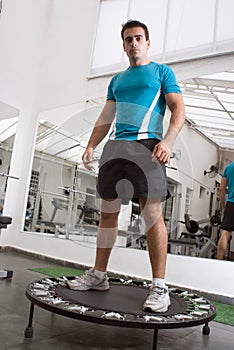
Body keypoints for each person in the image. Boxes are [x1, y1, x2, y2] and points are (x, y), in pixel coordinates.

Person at [67, 20, 185, 313]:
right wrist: (92, 145)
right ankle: (98, 275)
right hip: (116, 147)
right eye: (128, 39)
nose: (134, 43)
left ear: (147, 42)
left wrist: (168, 141)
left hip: (147, 146)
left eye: (138, 38)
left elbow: (178, 109)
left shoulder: (161, 72)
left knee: (152, 215)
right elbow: (106, 117)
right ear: (123, 45)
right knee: (108, 214)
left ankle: (159, 287)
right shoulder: (117, 80)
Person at [217, 161, 234, 260]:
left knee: (225, 233)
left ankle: (218, 261)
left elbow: (222, 189)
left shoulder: (229, 168)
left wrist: (223, 207)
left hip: (231, 204)